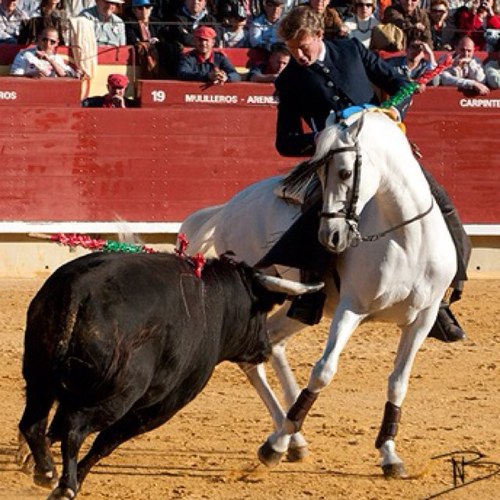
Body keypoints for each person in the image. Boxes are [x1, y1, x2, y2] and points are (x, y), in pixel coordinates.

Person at [267, 6, 470, 342]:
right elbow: (285, 141)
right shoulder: (289, 80)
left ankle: (442, 300)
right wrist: (319, 138)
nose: (299, 55)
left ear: (318, 35)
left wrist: (395, 107)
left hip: (386, 153)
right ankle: (311, 296)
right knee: (319, 215)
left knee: (443, 207)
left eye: (304, 46)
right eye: (291, 49)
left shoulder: (350, 50)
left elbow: (401, 85)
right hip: (336, 161)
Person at [176, 25, 242, 82]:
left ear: (213, 42)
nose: (203, 43)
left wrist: (226, 77)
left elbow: (236, 75)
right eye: (200, 40)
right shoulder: (188, 57)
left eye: (206, 40)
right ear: (195, 41)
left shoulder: (220, 57)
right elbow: (182, 73)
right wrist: (207, 76)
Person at [125, 0, 167, 78]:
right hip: (139, 63)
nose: (144, 11)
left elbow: (164, 39)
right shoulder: (129, 24)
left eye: (147, 7)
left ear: (151, 9)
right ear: (133, 10)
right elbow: (132, 40)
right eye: (140, 8)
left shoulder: (157, 23)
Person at [10, 27, 76, 76]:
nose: (47, 44)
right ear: (39, 38)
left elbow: (65, 75)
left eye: (52, 41)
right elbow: (15, 77)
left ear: (57, 43)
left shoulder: (57, 58)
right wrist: (29, 75)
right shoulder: (25, 54)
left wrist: (49, 60)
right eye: (44, 40)